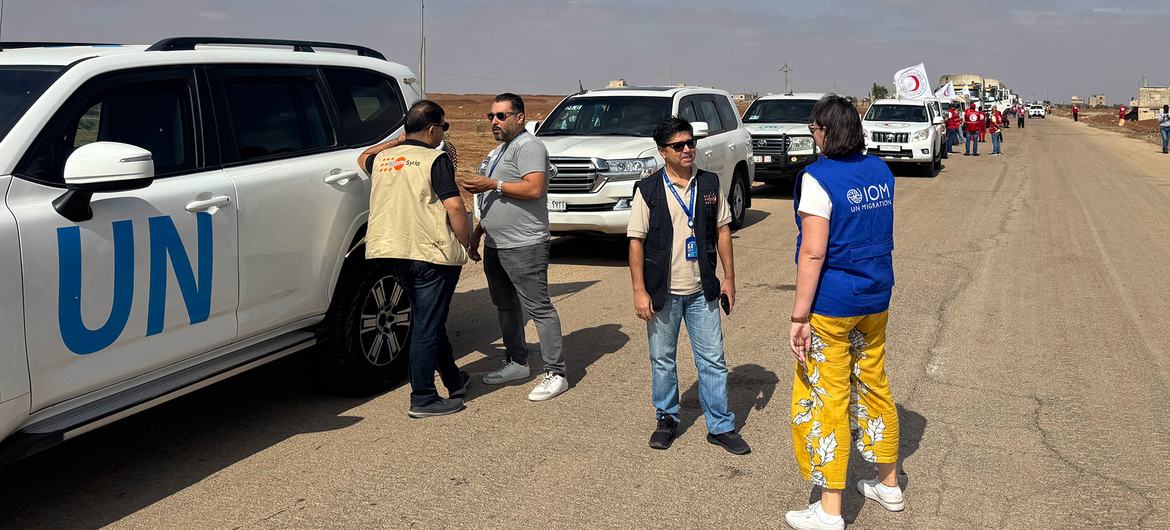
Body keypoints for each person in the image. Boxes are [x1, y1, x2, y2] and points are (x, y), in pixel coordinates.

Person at [783, 95, 902, 530]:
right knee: (873, 382)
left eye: (814, 129)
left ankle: (829, 509)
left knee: (827, 396)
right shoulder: (881, 172)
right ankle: (889, 484)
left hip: (833, 306)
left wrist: (799, 317)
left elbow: (813, 253)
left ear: (826, 131)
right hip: (875, 297)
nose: (812, 136)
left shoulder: (818, 178)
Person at [627, 117, 749, 456]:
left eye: (690, 142)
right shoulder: (648, 190)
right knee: (663, 359)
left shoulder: (709, 184)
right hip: (662, 292)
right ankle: (667, 419)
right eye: (678, 145)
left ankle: (720, 425)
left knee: (712, 359)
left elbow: (724, 231)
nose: (687, 149)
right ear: (662, 151)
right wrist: (639, 290)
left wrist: (729, 278)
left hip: (702, 290)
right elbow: (635, 242)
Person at [361, 100, 471, 418]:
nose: (442, 135)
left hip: (391, 251)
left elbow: (362, 157)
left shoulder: (382, 158)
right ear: (432, 129)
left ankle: (453, 379)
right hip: (430, 253)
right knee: (426, 324)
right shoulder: (433, 159)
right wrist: (467, 244)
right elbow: (455, 207)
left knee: (429, 319)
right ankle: (423, 396)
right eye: (442, 128)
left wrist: (399, 140)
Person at [461, 93, 569, 402]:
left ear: (519, 117)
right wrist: (478, 232)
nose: (494, 121)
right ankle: (517, 362)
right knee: (505, 305)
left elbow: (534, 188)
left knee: (539, 308)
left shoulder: (529, 146)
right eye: (491, 116)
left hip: (524, 244)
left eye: (501, 116)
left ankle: (556, 373)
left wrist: (491, 184)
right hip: (496, 244)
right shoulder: (499, 151)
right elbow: (494, 200)